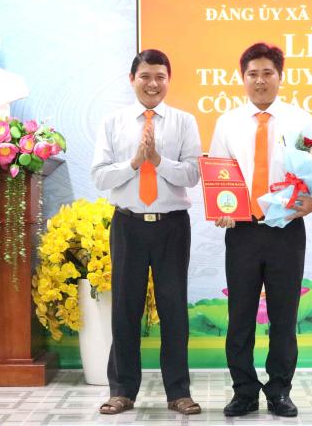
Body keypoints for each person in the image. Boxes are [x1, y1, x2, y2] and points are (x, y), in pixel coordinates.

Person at [209, 42, 312, 417]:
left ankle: (279, 391)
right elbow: (218, 174)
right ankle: (244, 391)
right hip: (242, 231)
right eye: (252, 74)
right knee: (240, 316)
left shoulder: (300, 121)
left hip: (286, 230)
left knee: (284, 317)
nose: (260, 81)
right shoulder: (228, 122)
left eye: (267, 73)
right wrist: (221, 209)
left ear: (280, 76)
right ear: (243, 78)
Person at [91, 49, 202, 415]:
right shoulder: (113, 122)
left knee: (174, 309)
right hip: (128, 224)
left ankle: (178, 392)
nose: (153, 84)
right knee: (125, 308)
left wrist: (158, 161)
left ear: (168, 80)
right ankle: (122, 390)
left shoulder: (184, 122)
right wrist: (135, 163)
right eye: (145, 76)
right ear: (132, 79)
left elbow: (192, 175)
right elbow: (99, 176)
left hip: (172, 225)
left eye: (160, 77)